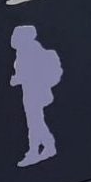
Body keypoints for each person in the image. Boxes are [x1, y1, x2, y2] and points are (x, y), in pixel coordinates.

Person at [10, 26, 62, 167]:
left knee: (34, 122)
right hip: (31, 92)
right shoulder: (25, 50)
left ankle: (34, 151)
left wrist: (16, 80)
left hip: (35, 92)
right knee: (36, 122)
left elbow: (28, 74)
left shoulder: (29, 51)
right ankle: (48, 146)